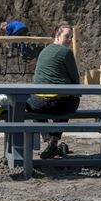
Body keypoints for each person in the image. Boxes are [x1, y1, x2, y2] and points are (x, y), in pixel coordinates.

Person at [26, 23, 80, 159]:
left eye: (71, 37)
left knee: (30, 105)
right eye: (67, 36)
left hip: (38, 102)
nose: (69, 40)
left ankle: (47, 138)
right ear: (57, 35)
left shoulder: (43, 51)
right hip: (59, 103)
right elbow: (75, 78)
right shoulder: (66, 52)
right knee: (70, 101)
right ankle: (54, 141)